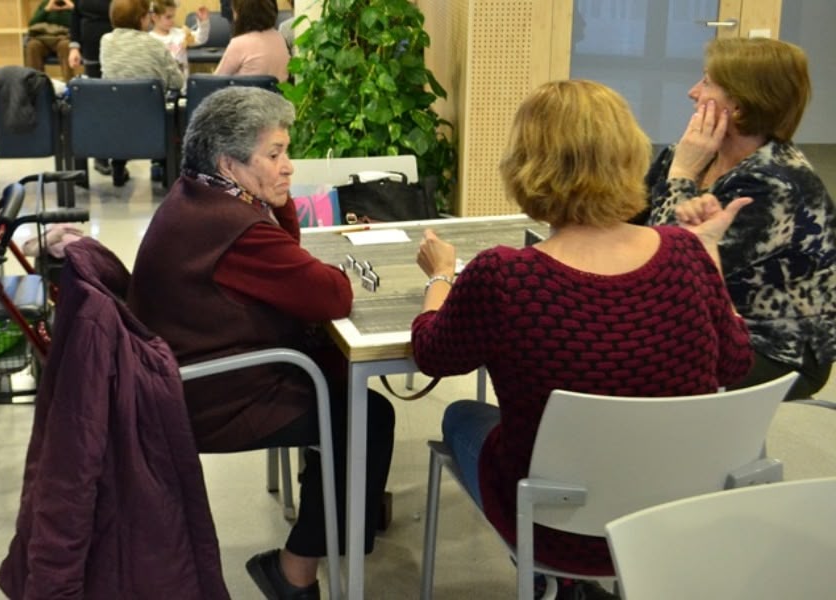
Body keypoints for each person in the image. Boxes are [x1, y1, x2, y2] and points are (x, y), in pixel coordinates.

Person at [411, 80, 754, 595]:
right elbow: (736, 363)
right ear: (628, 155)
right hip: (671, 516)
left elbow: (432, 354)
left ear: (525, 164)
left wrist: (440, 277)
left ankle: (559, 581)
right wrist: (711, 256)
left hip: (556, 531)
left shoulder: (504, 275)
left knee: (461, 415)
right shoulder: (686, 254)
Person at [128, 86, 395, 600]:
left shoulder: (198, 195)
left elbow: (287, 255)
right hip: (215, 394)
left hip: (186, 375)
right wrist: (282, 209)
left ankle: (341, 511)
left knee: (345, 401)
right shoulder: (235, 228)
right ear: (229, 164)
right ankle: (294, 571)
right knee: (367, 418)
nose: (289, 166)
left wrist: (275, 194)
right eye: (274, 155)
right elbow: (331, 294)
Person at [642, 37, 836, 400]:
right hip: (701, 321)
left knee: (628, 366)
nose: (692, 92)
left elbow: (671, 270)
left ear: (740, 105)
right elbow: (628, 223)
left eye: (707, 82)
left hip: (776, 348)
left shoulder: (774, 184)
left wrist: (682, 174)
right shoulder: (690, 154)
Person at [98, 0, 184, 187]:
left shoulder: (106, 41)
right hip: (153, 117)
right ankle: (164, 165)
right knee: (176, 107)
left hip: (115, 115)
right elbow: (177, 82)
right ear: (142, 19)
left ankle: (118, 163)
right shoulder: (155, 44)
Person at [215, 0, 290, 82]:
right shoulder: (279, 38)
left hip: (246, 90)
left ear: (239, 14)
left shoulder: (239, 43)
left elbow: (215, 81)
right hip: (278, 90)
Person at [149, 0, 210, 86]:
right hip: (162, 85)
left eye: (173, 16)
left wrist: (203, 23)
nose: (172, 21)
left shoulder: (180, 34)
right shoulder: (150, 40)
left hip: (183, 84)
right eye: (168, 17)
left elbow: (201, 39)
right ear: (154, 17)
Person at [24, 0, 74, 81]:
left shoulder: (74, 3)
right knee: (32, 45)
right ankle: (36, 83)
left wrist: (72, 8)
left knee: (65, 45)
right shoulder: (46, 3)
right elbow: (32, 23)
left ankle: (68, 82)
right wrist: (47, 9)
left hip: (63, 37)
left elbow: (78, 23)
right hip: (44, 38)